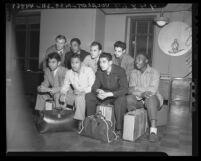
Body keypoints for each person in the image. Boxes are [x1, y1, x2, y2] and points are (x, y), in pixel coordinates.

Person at [85, 53, 128, 136]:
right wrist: (98, 91)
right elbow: (94, 87)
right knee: (89, 96)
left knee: (122, 99)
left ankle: (119, 128)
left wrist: (109, 94)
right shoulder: (99, 72)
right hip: (104, 95)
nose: (101, 64)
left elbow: (125, 89)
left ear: (110, 62)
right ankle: (91, 124)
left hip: (116, 95)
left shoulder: (120, 71)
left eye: (104, 62)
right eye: (100, 62)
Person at [126, 51, 163, 142]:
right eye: (136, 59)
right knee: (128, 98)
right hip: (139, 99)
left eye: (139, 59)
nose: (136, 61)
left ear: (146, 61)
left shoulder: (154, 72)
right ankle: (134, 126)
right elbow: (130, 90)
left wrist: (137, 88)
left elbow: (152, 90)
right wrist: (142, 93)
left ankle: (153, 131)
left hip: (154, 100)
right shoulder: (133, 72)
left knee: (150, 98)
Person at [60, 54, 95, 130]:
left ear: (81, 63)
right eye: (72, 63)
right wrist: (63, 93)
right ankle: (62, 121)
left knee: (79, 98)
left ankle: (80, 121)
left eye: (76, 62)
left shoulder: (88, 70)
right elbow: (65, 85)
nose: (74, 65)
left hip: (88, 93)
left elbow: (93, 86)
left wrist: (82, 92)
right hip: (76, 93)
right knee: (62, 97)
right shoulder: (69, 73)